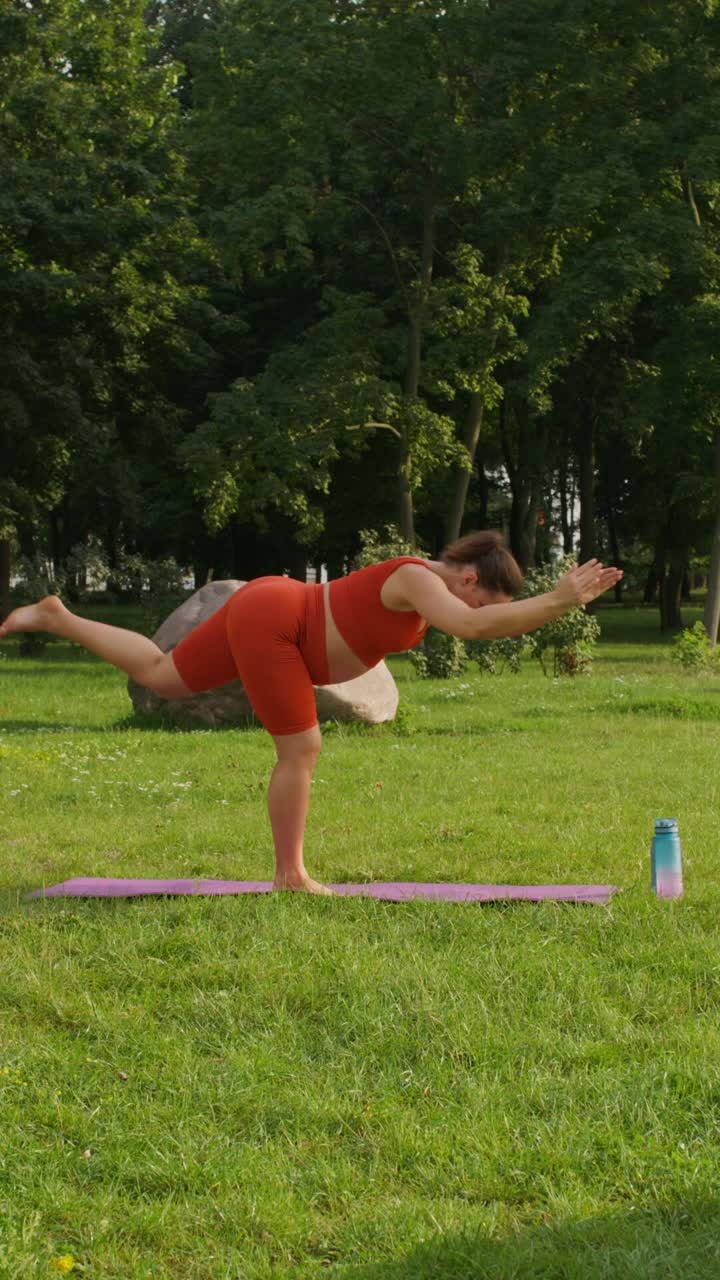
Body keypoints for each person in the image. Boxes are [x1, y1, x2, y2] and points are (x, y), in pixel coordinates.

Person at [0, 531, 622, 894]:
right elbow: (473, 626)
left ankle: (59, 617)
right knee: (301, 748)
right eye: (482, 596)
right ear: (466, 577)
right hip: (277, 621)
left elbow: (482, 620)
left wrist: (555, 604)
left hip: (271, 610)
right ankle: (290, 874)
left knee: (163, 677)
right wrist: (559, 599)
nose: (477, 607)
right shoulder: (418, 577)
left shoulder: (429, 586)